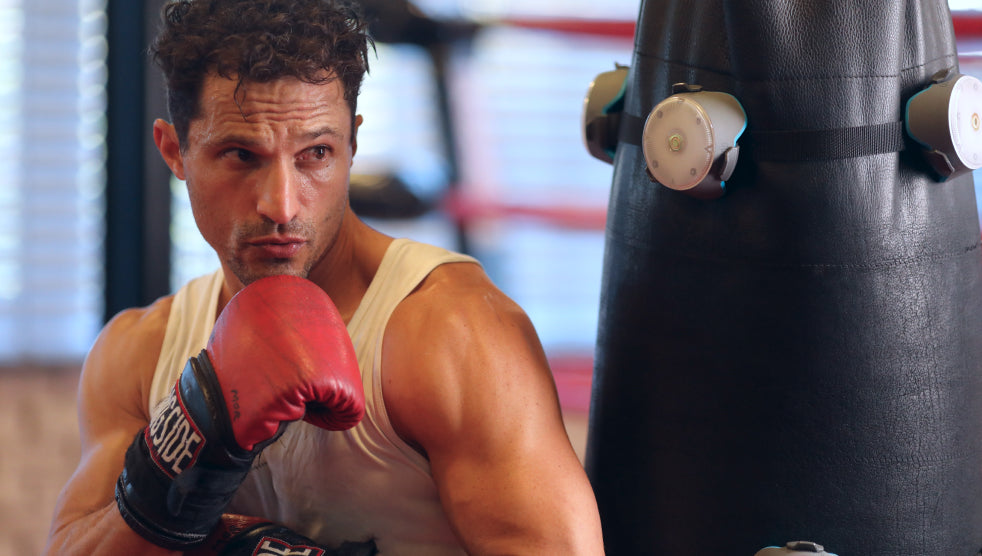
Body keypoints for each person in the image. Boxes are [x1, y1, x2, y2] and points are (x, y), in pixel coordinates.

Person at [43, 0, 605, 554]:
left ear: (352, 145)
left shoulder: (452, 332)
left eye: (315, 153)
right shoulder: (139, 353)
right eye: (241, 155)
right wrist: (172, 470)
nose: (282, 205)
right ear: (175, 151)